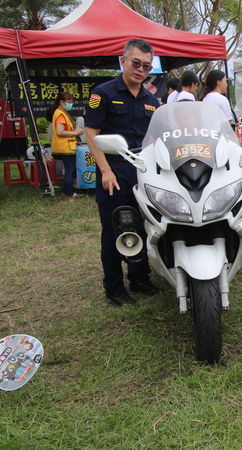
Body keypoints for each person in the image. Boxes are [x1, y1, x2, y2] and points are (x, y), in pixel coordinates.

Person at [85, 39, 160, 306]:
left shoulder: (152, 100)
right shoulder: (103, 93)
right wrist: (105, 170)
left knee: (143, 223)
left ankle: (139, 278)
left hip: (142, 171)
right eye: (136, 63)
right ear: (123, 61)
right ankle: (114, 287)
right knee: (115, 227)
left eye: (147, 66)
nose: (141, 69)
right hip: (114, 169)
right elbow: (91, 134)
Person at [50, 92, 83, 198]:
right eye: (69, 102)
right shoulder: (60, 114)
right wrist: (75, 132)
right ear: (61, 102)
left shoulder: (61, 113)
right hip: (65, 147)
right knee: (70, 170)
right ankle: (68, 193)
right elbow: (60, 132)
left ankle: (66, 191)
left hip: (66, 147)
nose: (71, 104)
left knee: (70, 169)